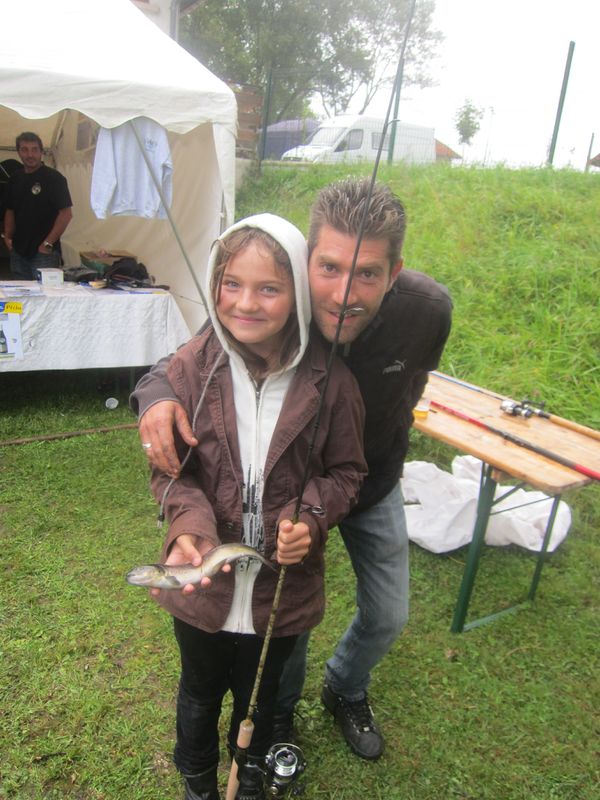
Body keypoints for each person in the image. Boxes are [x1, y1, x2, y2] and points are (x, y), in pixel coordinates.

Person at [131, 178, 453, 762]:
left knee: (389, 613)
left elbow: (411, 390)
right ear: (305, 260)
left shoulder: (428, 312)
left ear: (395, 272)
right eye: (329, 268)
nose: (344, 293)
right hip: (286, 498)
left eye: (368, 273)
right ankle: (277, 718)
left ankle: (345, 687)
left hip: (369, 481)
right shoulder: (274, 296)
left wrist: (352, 473)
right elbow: (199, 352)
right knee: (285, 618)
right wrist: (155, 396)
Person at [139, 213, 366, 800]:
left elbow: (348, 474)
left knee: (260, 700)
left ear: (298, 295)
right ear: (215, 283)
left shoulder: (333, 382)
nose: (245, 303)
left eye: (269, 288)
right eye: (231, 283)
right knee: (198, 691)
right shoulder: (191, 366)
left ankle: (251, 777)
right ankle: (197, 781)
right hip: (203, 587)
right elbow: (171, 472)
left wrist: (311, 518)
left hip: (283, 591)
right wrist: (188, 526)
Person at [2, 132, 73, 279]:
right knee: (21, 293)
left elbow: (66, 214)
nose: (30, 154)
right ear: (18, 152)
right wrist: (7, 238)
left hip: (44, 254)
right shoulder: (15, 179)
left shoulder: (54, 178)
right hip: (18, 252)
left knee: (46, 293)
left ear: (41, 152)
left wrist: (47, 244)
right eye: (25, 150)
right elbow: (10, 210)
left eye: (34, 149)